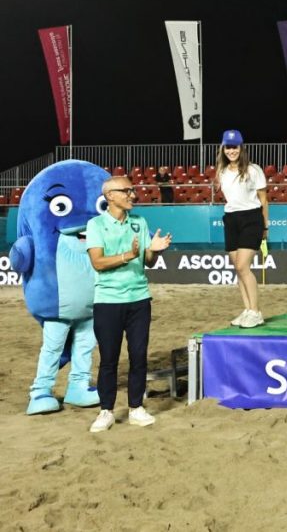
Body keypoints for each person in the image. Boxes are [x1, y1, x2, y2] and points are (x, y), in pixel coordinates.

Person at [86, 177, 173, 432]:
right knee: (109, 360)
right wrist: (128, 255)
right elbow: (98, 263)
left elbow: (149, 262)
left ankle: (136, 408)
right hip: (108, 301)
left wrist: (155, 250)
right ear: (110, 196)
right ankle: (106, 411)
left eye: (133, 190)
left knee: (139, 357)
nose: (133, 195)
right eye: (127, 191)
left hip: (139, 299)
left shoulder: (140, 222)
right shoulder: (96, 224)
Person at [215, 129, 269, 329]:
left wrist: (265, 225)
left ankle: (256, 312)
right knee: (238, 269)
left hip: (251, 218)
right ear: (223, 148)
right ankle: (247, 310)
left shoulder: (253, 170)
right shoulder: (221, 171)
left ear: (241, 148)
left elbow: (264, 199)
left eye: (234, 147)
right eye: (228, 147)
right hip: (231, 219)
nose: (231, 151)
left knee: (242, 266)